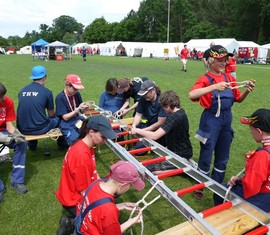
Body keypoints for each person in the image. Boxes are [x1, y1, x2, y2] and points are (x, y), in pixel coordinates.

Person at [188, 45, 255, 198]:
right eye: (220, 60)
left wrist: (247, 91)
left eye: (225, 60)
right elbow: (192, 94)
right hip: (210, 120)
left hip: (226, 119)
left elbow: (237, 99)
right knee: (206, 155)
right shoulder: (205, 79)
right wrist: (213, 87)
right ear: (210, 61)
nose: (224, 63)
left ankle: (216, 186)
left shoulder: (229, 78)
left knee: (223, 156)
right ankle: (200, 185)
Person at [56, 115, 118, 235]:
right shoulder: (81, 155)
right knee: (103, 220)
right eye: (103, 137)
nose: (105, 141)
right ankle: (71, 222)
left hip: (78, 192)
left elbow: (94, 172)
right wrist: (105, 198)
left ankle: (77, 219)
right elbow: (83, 190)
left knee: (114, 186)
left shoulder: (87, 146)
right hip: (74, 200)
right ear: (91, 132)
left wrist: (106, 186)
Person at [214, 109, 270, 212]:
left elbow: (251, 188)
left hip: (261, 201)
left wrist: (244, 179)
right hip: (266, 193)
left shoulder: (262, 156)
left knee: (219, 192)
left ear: (259, 131)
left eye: (251, 128)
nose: (250, 131)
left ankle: (221, 220)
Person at [75, 160, 145, 235]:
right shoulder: (109, 211)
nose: (130, 188)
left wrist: (123, 205)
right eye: (130, 185)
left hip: (82, 227)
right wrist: (131, 221)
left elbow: (96, 208)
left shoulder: (95, 184)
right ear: (123, 185)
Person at [131, 90, 193, 174]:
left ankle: (182, 167)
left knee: (151, 170)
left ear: (167, 106)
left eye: (163, 107)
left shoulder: (174, 117)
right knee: (151, 163)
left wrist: (137, 130)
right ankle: (180, 165)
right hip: (175, 150)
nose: (163, 110)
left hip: (180, 154)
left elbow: (155, 135)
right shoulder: (181, 112)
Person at [17, 65, 59, 150]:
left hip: (22, 128)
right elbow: (51, 114)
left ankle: (32, 146)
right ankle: (63, 144)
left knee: (35, 118)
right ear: (44, 77)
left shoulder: (22, 90)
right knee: (59, 119)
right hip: (39, 129)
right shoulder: (47, 92)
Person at [0, 83, 28, 202]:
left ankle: (17, 181)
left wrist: (17, 135)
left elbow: (9, 126)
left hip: (4, 131)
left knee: (21, 143)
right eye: (0, 97)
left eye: (3, 96)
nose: (3, 99)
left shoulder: (8, 101)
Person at [55, 74, 89, 147]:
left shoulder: (77, 94)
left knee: (89, 132)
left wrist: (84, 108)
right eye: (75, 89)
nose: (76, 91)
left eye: (77, 89)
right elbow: (65, 117)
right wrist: (76, 110)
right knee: (76, 141)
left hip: (77, 119)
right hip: (66, 123)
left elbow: (81, 112)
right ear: (67, 86)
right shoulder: (60, 97)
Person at [131, 80, 167, 147]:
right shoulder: (142, 99)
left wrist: (142, 131)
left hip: (161, 129)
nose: (144, 96)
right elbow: (138, 114)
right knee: (138, 147)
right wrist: (134, 125)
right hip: (149, 125)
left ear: (154, 90)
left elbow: (160, 123)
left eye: (146, 93)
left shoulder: (162, 101)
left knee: (139, 150)